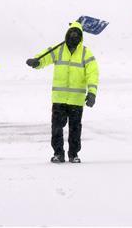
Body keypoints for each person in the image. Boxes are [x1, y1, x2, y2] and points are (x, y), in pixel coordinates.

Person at [26, 21, 99, 163]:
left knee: (75, 129)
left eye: (77, 34)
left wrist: (92, 92)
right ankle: (58, 153)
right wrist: (37, 62)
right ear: (67, 34)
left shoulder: (86, 53)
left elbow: (93, 73)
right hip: (59, 99)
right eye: (71, 33)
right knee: (57, 128)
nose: (74, 36)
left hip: (76, 100)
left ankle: (74, 154)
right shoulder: (58, 49)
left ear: (81, 36)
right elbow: (45, 57)